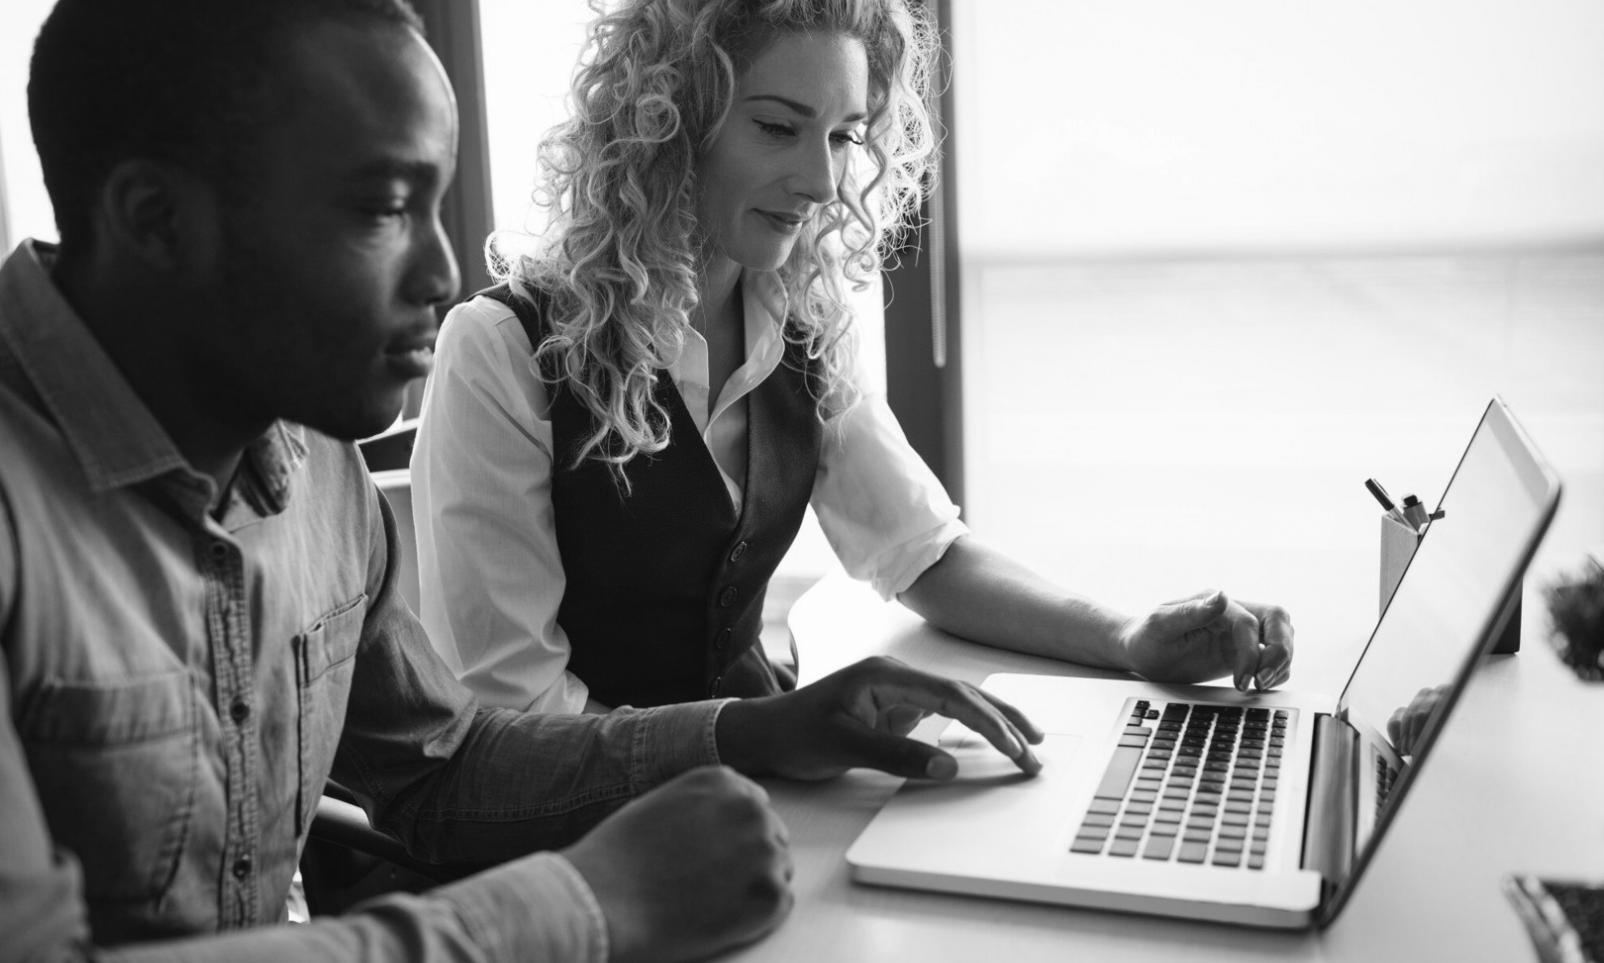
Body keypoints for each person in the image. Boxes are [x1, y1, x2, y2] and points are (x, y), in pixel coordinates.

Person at [0, 1, 1046, 960]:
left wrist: (756, 730)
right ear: (153, 219)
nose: (442, 275)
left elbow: (440, 771)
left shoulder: (315, 466)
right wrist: (583, 906)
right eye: (379, 208)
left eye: (436, 202)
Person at [412, 0, 1296, 715]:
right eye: (778, 126)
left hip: (752, 787)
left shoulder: (798, 327)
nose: (825, 182)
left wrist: (1129, 635)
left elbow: (924, 553)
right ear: (668, 120)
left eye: (843, 136)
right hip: (582, 839)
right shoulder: (502, 351)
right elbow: (516, 712)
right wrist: (765, 751)